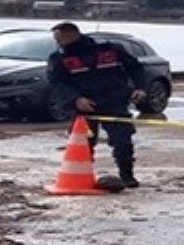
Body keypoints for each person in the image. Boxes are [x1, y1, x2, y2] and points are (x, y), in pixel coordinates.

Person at [47, 22, 149, 188]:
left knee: (122, 141)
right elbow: (57, 83)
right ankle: (81, 176)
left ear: (72, 34)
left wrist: (140, 88)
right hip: (84, 107)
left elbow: (135, 68)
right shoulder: (59, 58)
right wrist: (76, 99)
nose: (58, 43)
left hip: (115, 101)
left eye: (60, 39)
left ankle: (127, 176)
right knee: (83, 144)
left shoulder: (110, 49)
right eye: (56, 40)